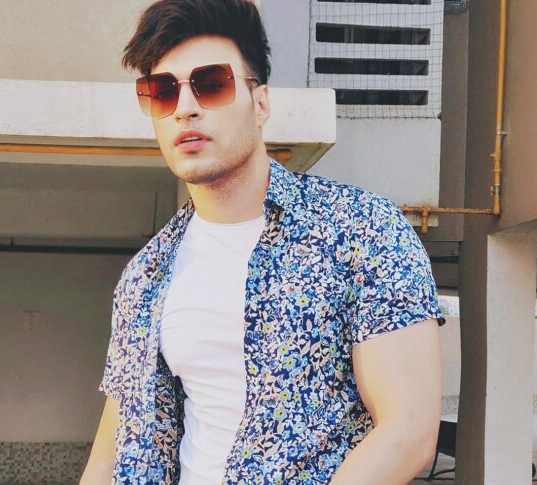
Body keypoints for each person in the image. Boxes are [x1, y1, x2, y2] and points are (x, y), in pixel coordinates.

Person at [80, 0, 447, 483]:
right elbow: (112, 451)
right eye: (163, 92)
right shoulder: (147, 273)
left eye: (212, 84)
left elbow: (407, 430)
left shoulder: (361, 229)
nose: (185, 108)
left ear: (261, 103)